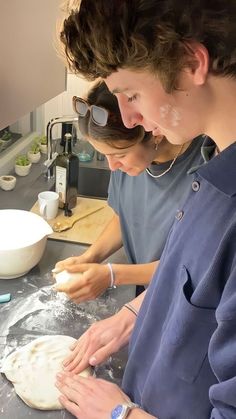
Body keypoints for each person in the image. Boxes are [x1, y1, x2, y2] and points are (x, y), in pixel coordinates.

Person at [55, 1, 236, 418]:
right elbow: (193, 286)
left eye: (131, 94)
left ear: (192, 63)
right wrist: (135, 314)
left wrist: (121, 415)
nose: (128, 117)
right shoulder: (211, 168)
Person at [54, 81, 204, 303]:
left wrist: (113, 275)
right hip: (146, 291)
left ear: (155, 133)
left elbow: (193, 266)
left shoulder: (203, 168)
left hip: (180, 300)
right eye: (105, 155)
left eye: (120, 155)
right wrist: (90, 257)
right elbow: (125, 216)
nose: (112, 166)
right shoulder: (129, 162)